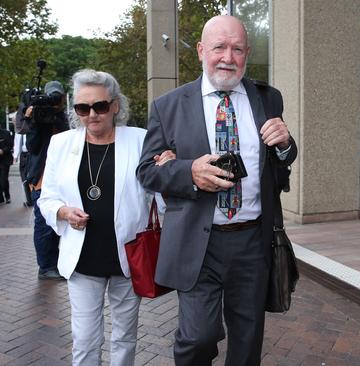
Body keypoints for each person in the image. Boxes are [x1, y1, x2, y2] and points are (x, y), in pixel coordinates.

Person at [137, 15, 297, 365]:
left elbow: (282, 157)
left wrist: (286, 145)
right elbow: (147, 172)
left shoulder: (268, 99)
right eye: (219, 47)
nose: (228, 57)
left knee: (247, 337)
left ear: (247, 53)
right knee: (198, 338)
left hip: (252, 241)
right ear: (200, 51)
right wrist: (189, 172)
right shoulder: (169, 106)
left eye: (237, 48)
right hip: (197, 241)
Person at [38, 69, 159, 365]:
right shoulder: (61, 144)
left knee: (125, 337)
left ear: (115, 105)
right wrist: (64, 212)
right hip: (83, 257)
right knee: (85, 339)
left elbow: (159, 193)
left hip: (129, 256)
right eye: (82, 108)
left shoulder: (141, 140)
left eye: (100, 106)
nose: (92, 114)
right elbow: (47, 198)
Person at [17, 80, 69, 280]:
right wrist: (33, 122)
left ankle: (54, 263)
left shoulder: (61, 117)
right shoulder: (37, 117)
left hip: (61, 178)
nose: (55, 102)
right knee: (44, 225)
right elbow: (32, 146)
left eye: (58, 98)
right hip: (42, 179)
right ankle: (45, 267)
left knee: (58, 224)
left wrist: (56, 116)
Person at [13, 132, 33, 207]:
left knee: (32, 177)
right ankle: (29, 200)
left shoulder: (32, 129)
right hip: (23, 155)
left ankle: (34, 198)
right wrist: (15, 156)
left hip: (32, 154)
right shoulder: (18, 132)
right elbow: (16, 144)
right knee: (24, 178)